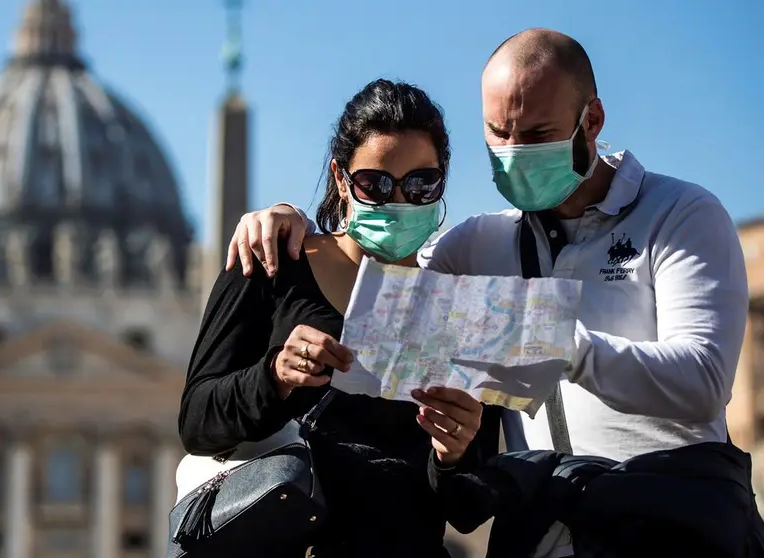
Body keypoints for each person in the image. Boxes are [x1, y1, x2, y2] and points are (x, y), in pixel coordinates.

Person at [222, 28, 750, 557]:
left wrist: (559, 343)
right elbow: (381, 273)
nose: (515, 152)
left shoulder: (680, 214)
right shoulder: (479, 244)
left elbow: (703, 379)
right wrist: (289, 219)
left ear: (591, 121)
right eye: (499, 133)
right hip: (539, 533)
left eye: (537, 134)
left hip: (664, 526)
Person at [179, 79, 502, 557]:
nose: (397, 201)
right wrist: (275, 376)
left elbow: (470, 507)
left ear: (441, 185)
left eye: (420, 184)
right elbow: (197, 420)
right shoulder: (270, 263)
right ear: (340, 179)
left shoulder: (462, 310)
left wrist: (454, 452)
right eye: (374, 184)